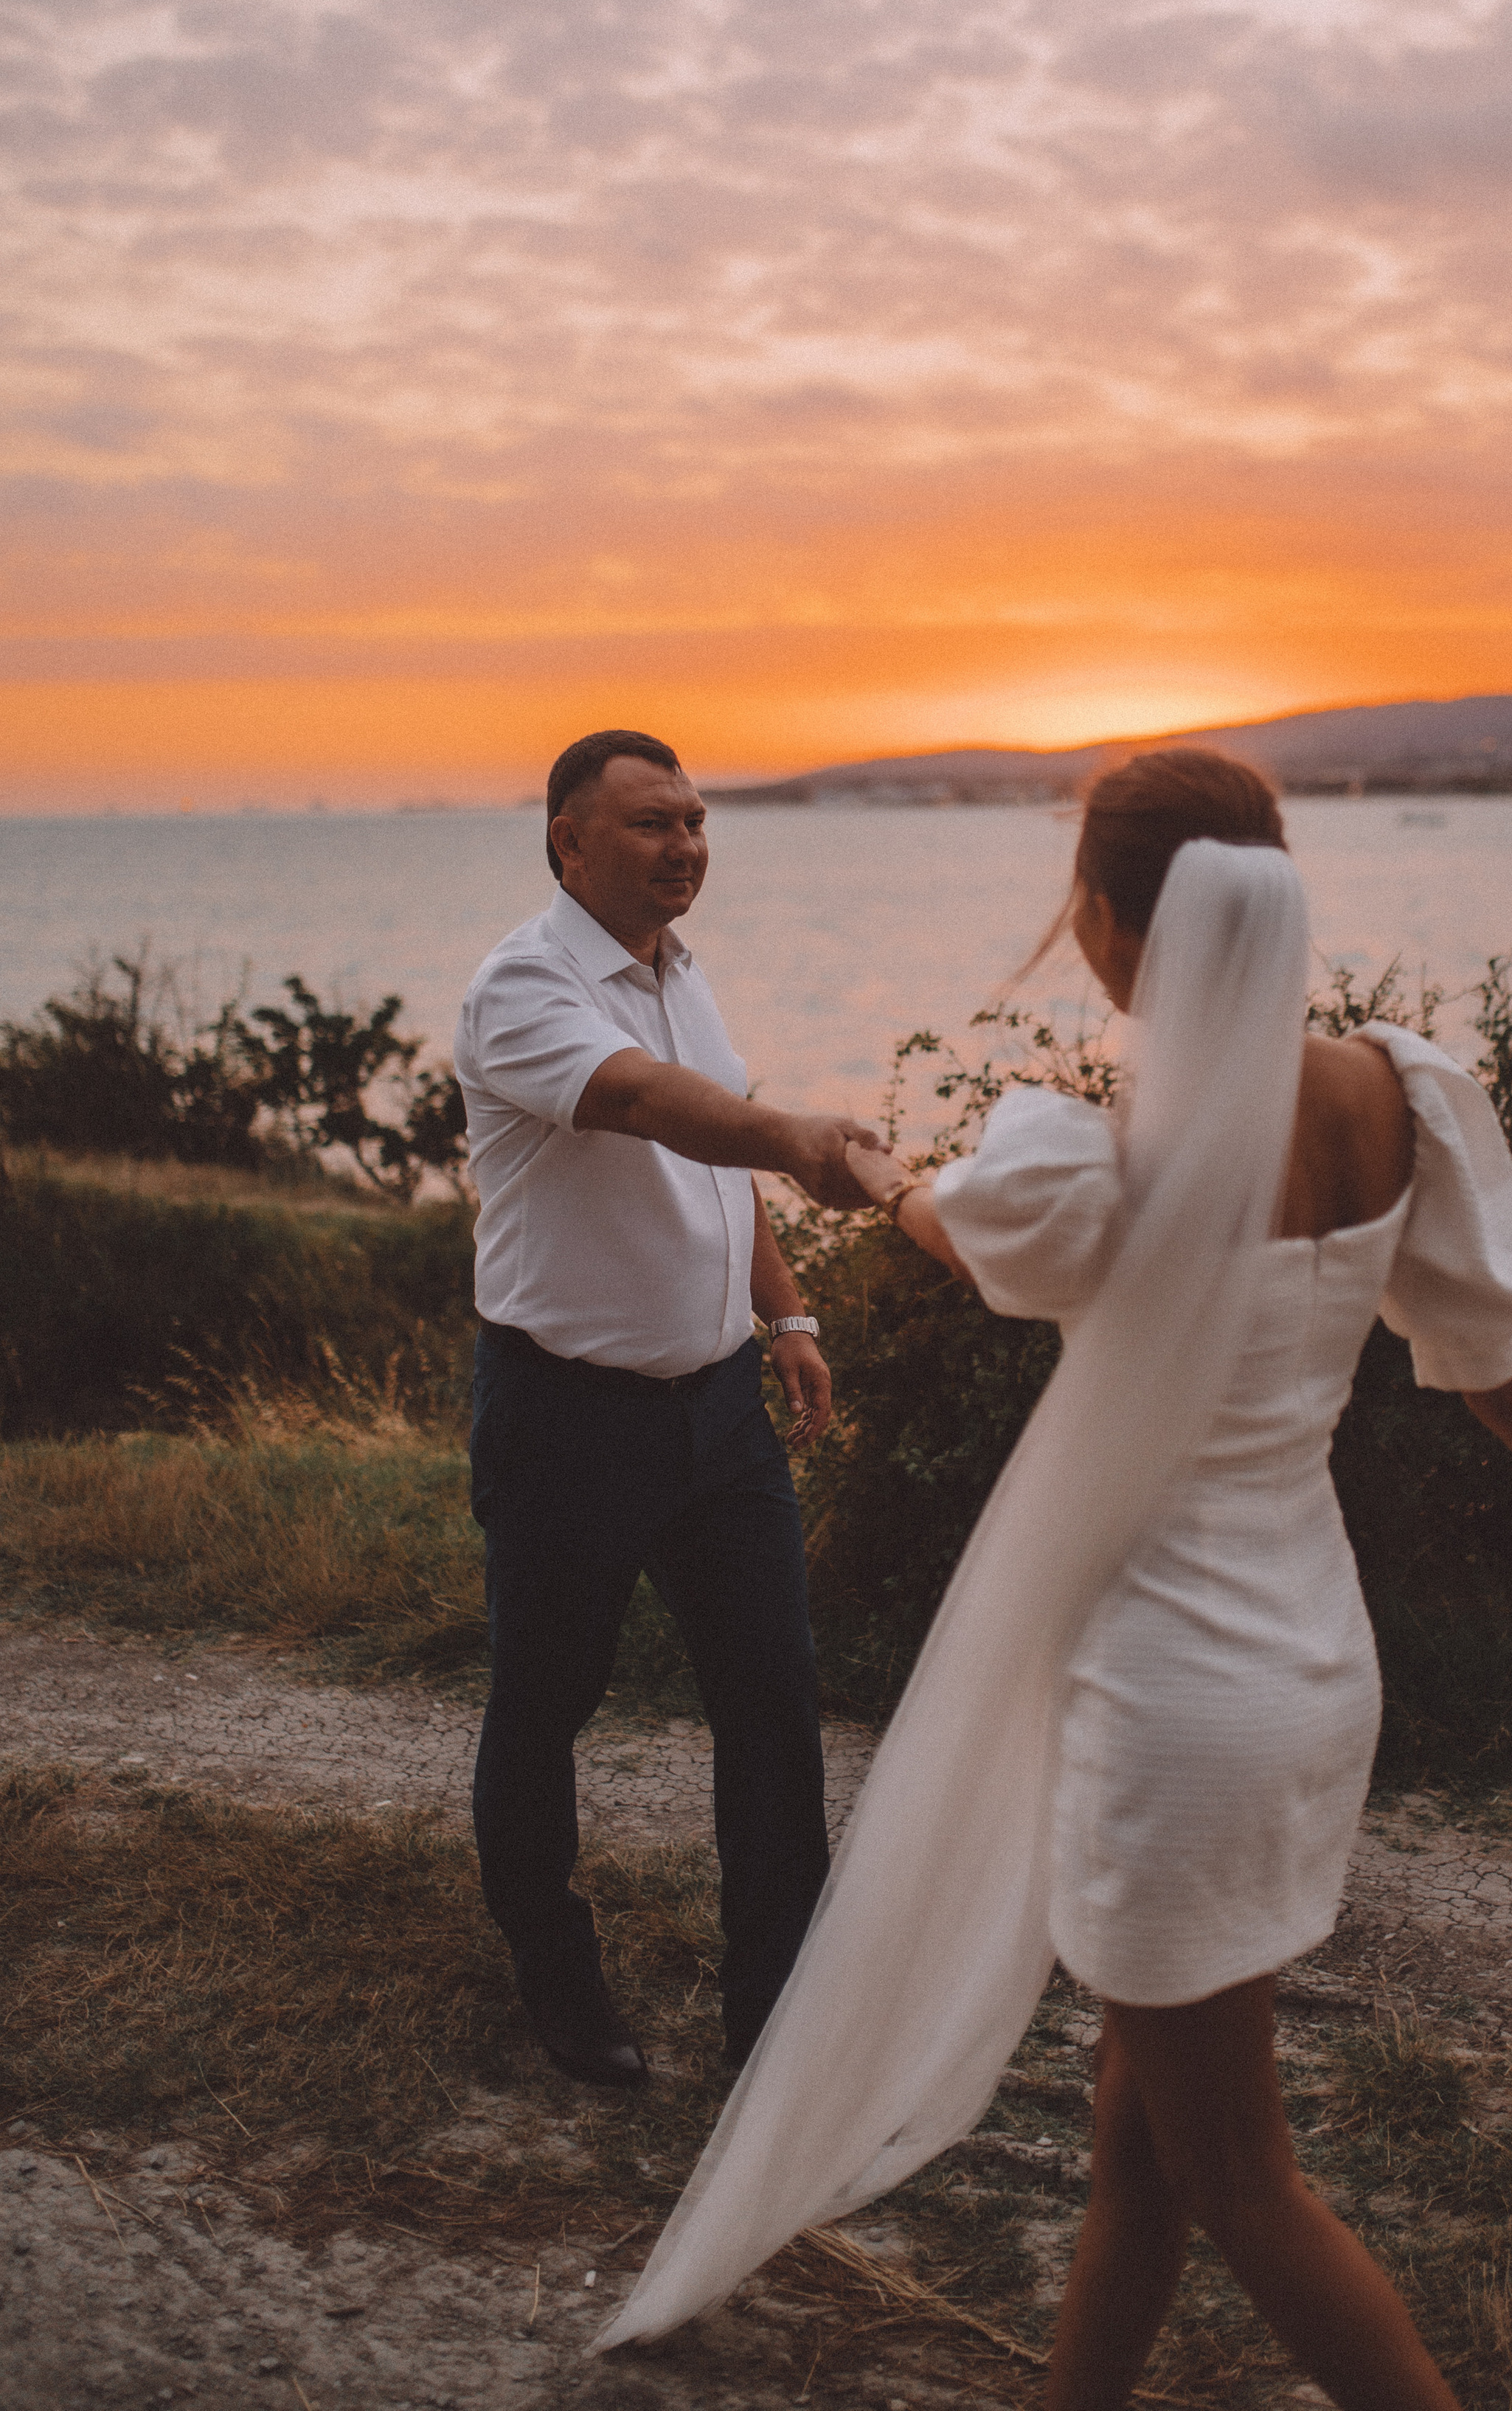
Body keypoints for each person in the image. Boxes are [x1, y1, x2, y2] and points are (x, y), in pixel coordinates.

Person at [599, 751, 1512, 2408]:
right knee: (1137, 2148)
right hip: (1311, 1664)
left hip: (1170, 1702)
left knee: (1242, 2181)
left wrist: (875, 1174)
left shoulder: (1102, 1157)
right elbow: (1497, 1365)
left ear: (1111, 923)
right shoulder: (1393, 1096)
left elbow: (968, 1237)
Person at [454, 727, 876, 2089]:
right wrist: (797, 1135)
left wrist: (787, 1317)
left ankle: (778, 2025)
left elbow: (714, 1161)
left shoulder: (682, 974)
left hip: (720, 1419)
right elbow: (647, 1105)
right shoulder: (524, 987)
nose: (685, 844)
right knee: (546, 1705)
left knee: (775, 1708)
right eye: (650, 823)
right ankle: (558, 1975)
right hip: (567, 1422)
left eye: (694, 820)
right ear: (569, 843)